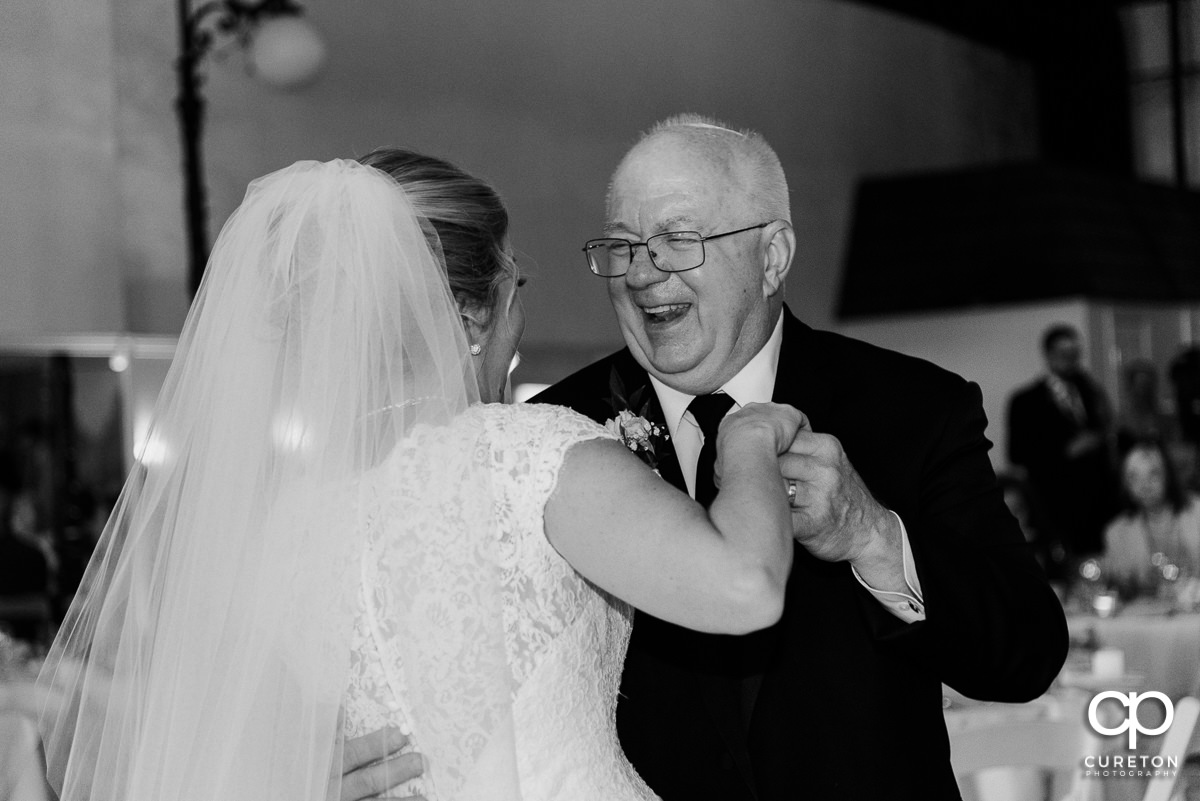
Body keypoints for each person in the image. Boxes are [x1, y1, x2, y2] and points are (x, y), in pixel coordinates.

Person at [35, 153, 805, 801]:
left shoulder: (289, 525)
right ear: (473, 318)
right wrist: (746, 435)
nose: (520, 307)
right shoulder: (528, 456)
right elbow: (745, 585)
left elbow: (229, 746)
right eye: (513, 283)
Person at [533, 114, 1068, 799]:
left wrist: (875, 534)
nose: (640, 273)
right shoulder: (555, 433)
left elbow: (1025, 655)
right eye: (621, 245)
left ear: (773, 255)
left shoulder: (914, 408)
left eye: (676, 239)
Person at [1009, 323, 1117, 558]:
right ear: (1048, 354)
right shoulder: (1026, 401)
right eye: (1063, 353)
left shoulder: (1089, 390)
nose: (1070, 359)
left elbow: (1105, 427)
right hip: (1055, 502)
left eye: (1074, 353)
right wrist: (1065, 452)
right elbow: (1016, 453)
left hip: (1097, 501)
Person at [1101, 439, 1200, 596]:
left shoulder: (1196, 513)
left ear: (1168, 474)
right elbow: (1117, 586)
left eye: (1153, 473)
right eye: (1134, 477)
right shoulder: (1117, 532)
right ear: (1125, 485)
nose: (1144, 485)